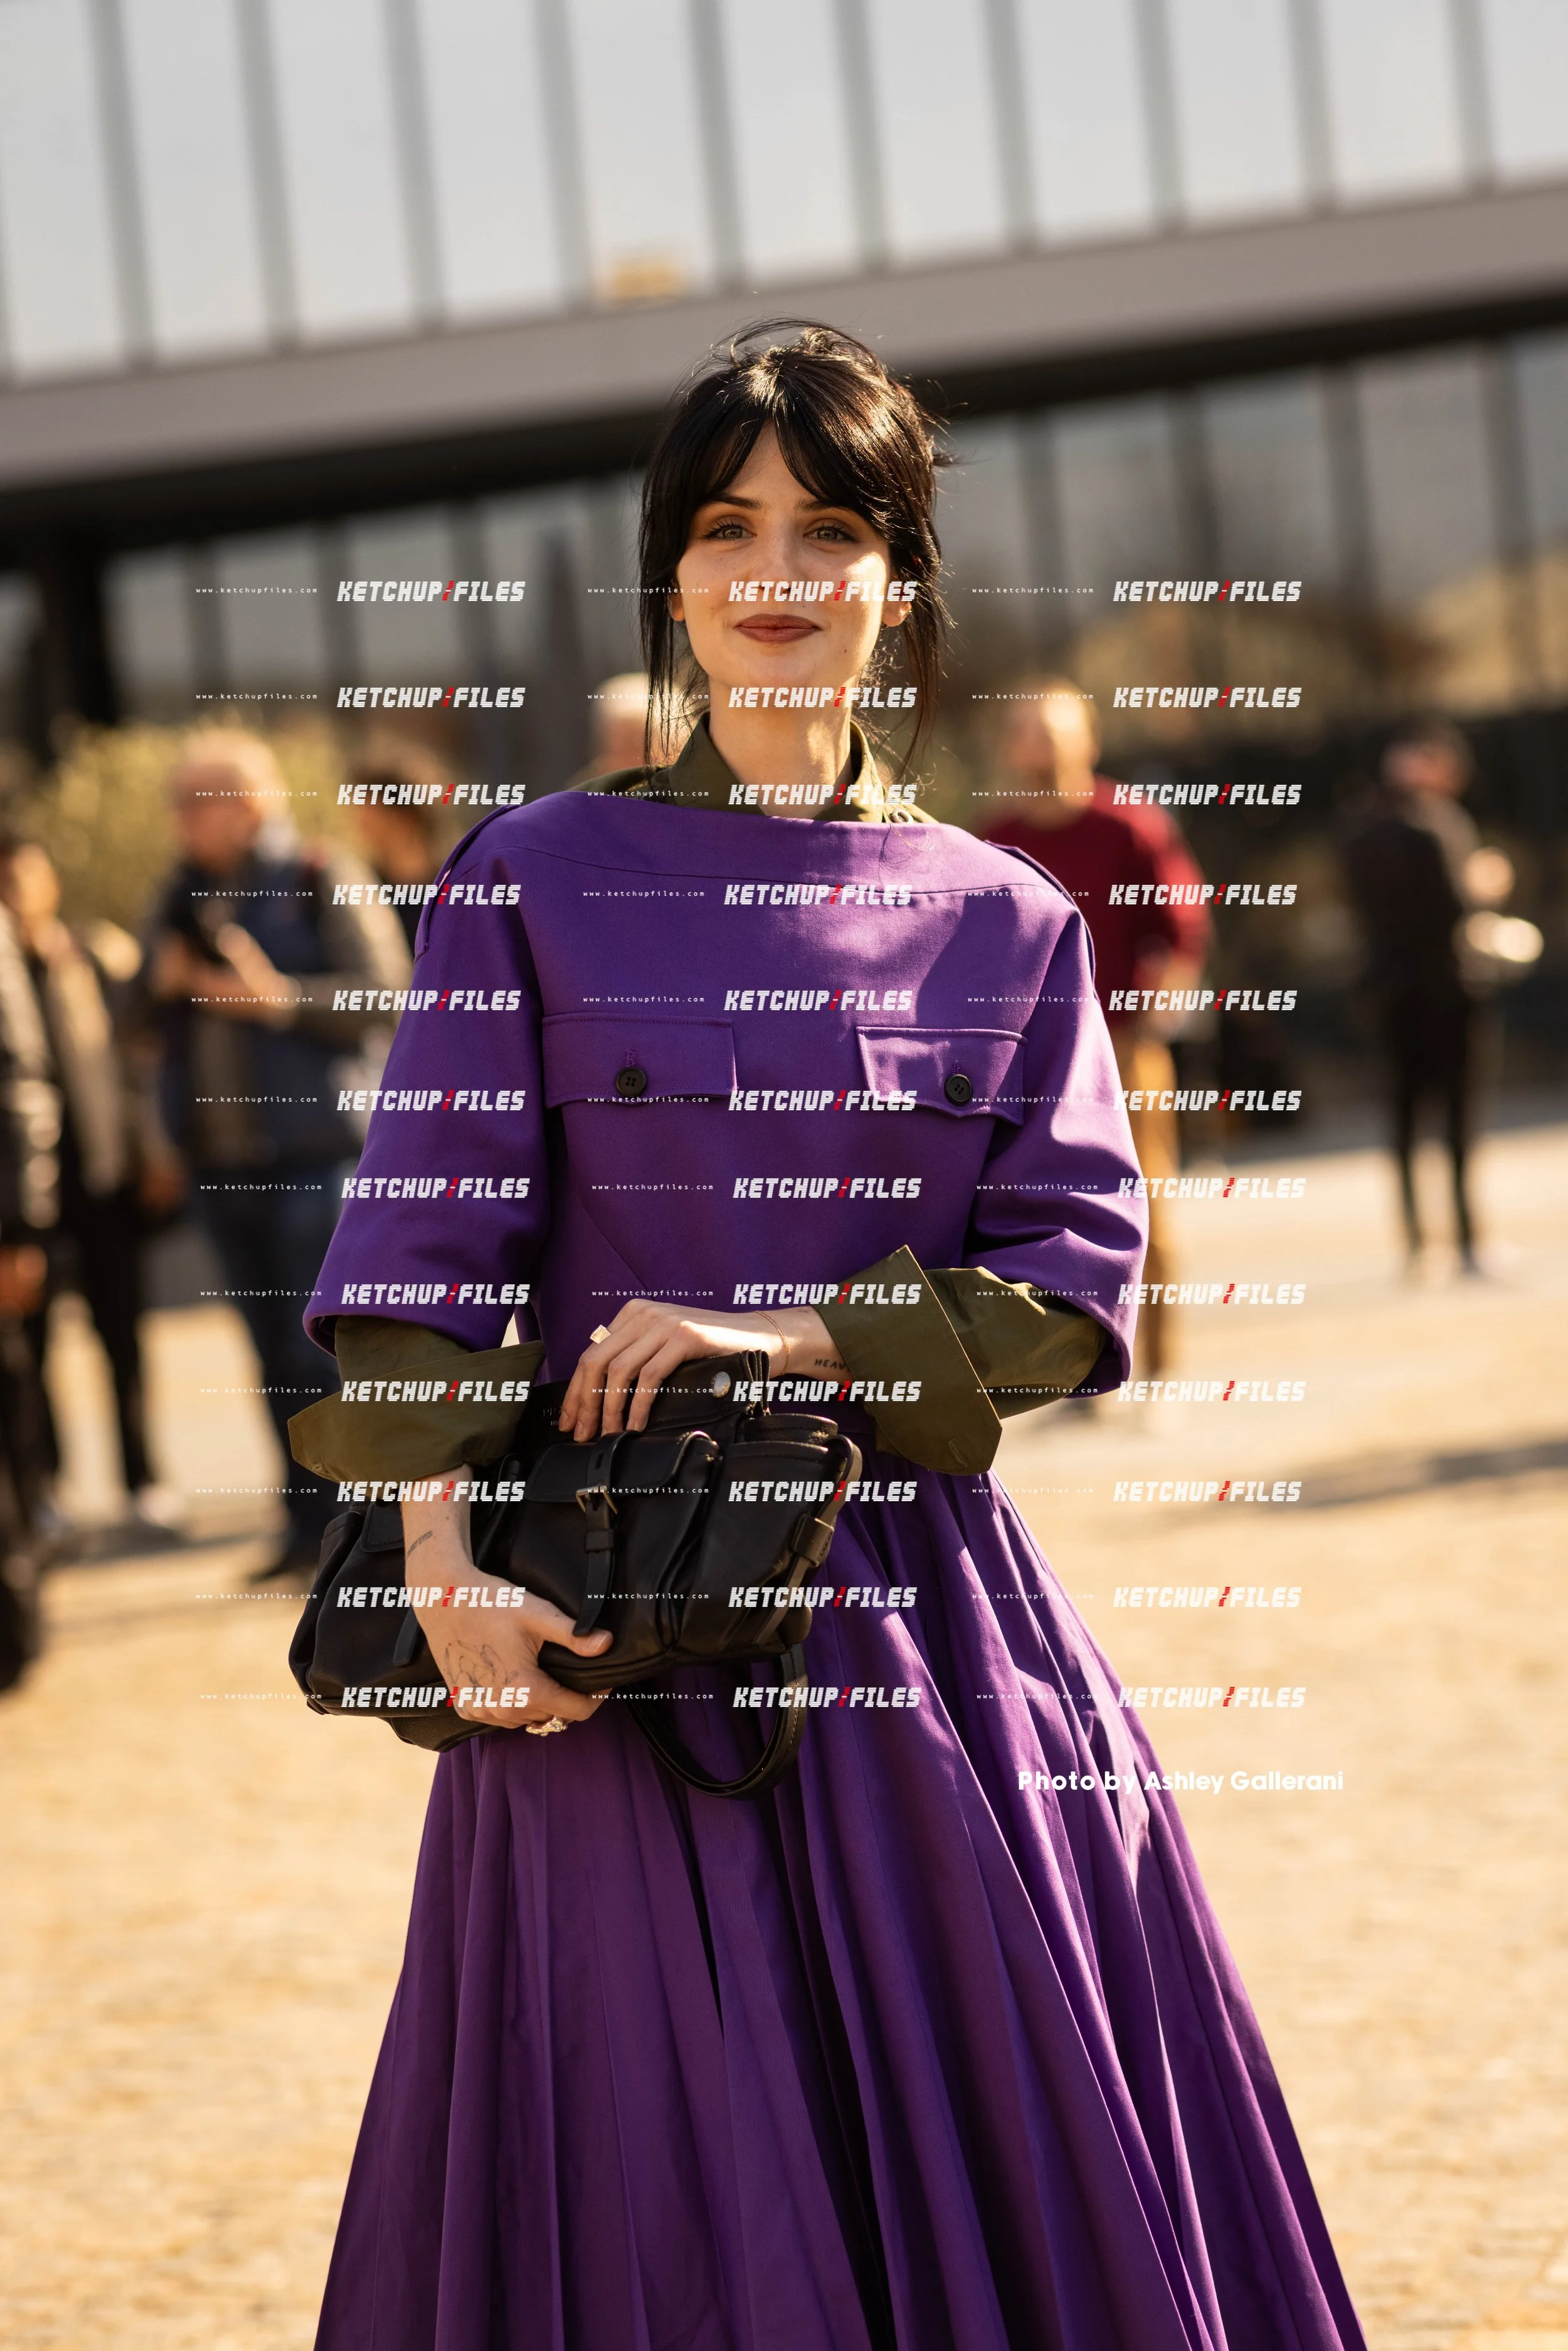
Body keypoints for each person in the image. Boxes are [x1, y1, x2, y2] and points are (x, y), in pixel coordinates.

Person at [293, 326, 1364, 2350]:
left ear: (901, 579)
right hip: (609, 1626)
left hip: (929, 1637)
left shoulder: (1007, 919)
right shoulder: (528, 882)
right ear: (673, 578)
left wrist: (774, 1325)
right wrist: (440, 1566)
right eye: (727, 527)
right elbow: (418, 1260)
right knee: (658, 2198)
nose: (775, 571)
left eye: (830, 528)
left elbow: (1066, 1292)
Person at [142, 730, 410, 1579]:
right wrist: (154, 985)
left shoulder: (318, 875)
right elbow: (135, 1026)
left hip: (317, 1153)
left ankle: (366, 1531)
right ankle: (305, 1531)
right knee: (265, 1351)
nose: (182, 818)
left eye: (198, 799)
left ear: (252, 801)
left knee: (321, 1350)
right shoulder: (177, 899)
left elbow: (390, 995)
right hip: (222, 1163)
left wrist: (281, 1001)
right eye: (177, 801)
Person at [981, 682, 1210, 1376]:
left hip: (1123, 1050)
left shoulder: (1129, 827)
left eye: (1053, 732)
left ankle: (1162, 1370)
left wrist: (1152, 1017)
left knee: (1147, 1204)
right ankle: (1079, 1371)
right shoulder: (996, 840)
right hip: (1032, 1066)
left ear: (1088, 740)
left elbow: (1182, 930)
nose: (1040, 748)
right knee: (1051, 1219)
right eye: (1026, 732)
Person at [0, 831, 186, 1528]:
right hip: (30, 1192)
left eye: (27, 879)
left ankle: (143, 1480)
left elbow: (139, 1061)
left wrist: (155, 1152)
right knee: (33, 1347)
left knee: (122, 1334)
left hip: (103, 1173)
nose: (19, 897)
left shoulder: (95, 956)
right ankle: (48, 1489)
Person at [1340, 719, 1508, 1270]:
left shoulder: (1358, 829)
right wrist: (1484, 881)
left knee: (1405, 1115)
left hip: (1388, 989)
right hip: (1448, 986)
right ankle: (1465, 1238)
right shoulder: (1438, 825)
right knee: (1457, 1116)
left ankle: (1415, 1238)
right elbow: (1456, 905)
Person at [345, 737, 452, 955]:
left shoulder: (457, 881)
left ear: (405, 816)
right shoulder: (366, 887)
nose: (361, 821)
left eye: (372, 808)